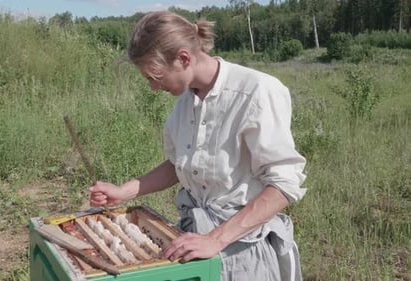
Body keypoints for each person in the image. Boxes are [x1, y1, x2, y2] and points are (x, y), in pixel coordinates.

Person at [89, 11, 307, 281]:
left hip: (244, 248)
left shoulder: (256, 91)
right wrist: (125, 191)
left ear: (183, 58)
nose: (154, 87)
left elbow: (284, 185)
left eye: (155, 76)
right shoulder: (185, 104)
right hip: (196, 240)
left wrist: (216, 238)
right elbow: (178, 164)